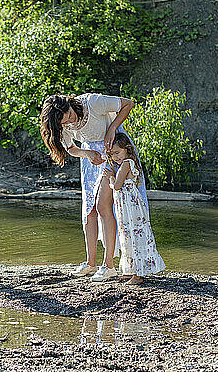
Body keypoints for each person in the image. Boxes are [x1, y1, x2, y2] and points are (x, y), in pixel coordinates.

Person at [40, 93, 148, 282]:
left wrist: (112, 128)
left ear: (70, 105)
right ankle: (91, 263)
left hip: (114, 153)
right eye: (65, 123)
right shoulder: (62, 123)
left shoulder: (92, 102)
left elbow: (128, 104)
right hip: (91, 159)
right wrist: (87, 153)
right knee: (89, 211)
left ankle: (109, 265)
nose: (69, 122)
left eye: (70, 116)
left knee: (103, 206)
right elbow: (71, 148)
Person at [104, 133, 165, 284]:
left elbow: (117, 186)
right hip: (128, 206)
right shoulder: (129, 163)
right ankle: (130, 270)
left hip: (130, 208)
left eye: (117, 152)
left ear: (127, 149)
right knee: (128, 234)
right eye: (112, 154)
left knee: (133, 235)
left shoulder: (126, 164)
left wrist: (110, 177)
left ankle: (138, 274)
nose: (115, 157)